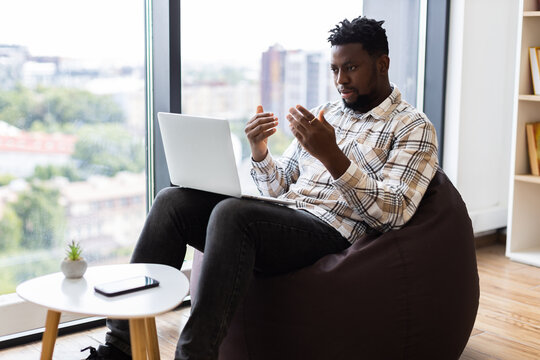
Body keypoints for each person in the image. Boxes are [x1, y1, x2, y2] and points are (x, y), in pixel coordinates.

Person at [84, 15, 439, 360]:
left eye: (351, 68)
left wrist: (332, 156)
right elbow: (279, 187)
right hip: (287, 219)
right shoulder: (325, 113)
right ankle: (118, 348)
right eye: (335, 69)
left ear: (382, 63)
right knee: (172, 201)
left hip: (333, 231)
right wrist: (260, 151)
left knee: (232, 214)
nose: (341, 79)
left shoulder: (412, 126)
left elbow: (394, 213)